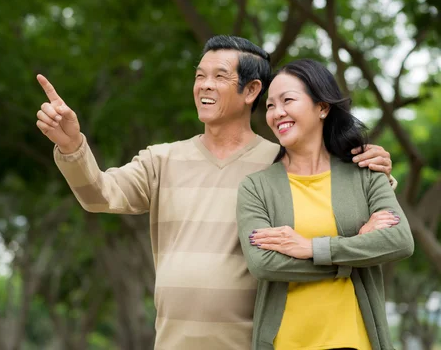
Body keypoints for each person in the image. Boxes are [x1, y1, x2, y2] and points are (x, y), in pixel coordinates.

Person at [36, 36, 394, 350]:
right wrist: (71, 146)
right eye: (199, 76)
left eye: (219, 77)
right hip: (173, 342)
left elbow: (345, 200)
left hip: (257, 341)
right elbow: (100, 195)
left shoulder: (281, 162)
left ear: (252, 91)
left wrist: (379, 176)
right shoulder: (162, 159)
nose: (204, 86)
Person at [236, 59, 414, 350]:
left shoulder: (366, 172)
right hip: (286, 342)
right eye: (269, 105)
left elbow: (399, 241)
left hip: (356, 341)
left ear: (322, 107)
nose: (277, 112)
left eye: (288, 100)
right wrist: (355, 251)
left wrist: (312, 248)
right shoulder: (256, 187)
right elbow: (264, 264)